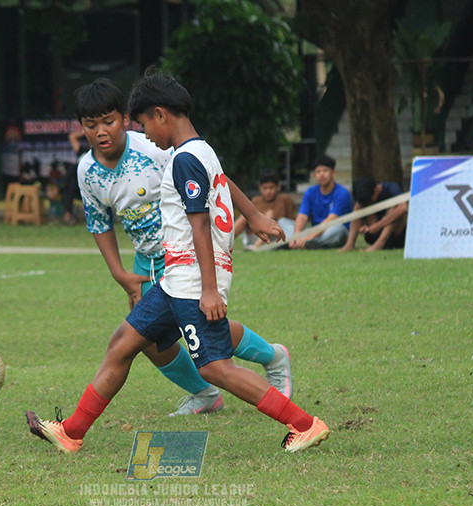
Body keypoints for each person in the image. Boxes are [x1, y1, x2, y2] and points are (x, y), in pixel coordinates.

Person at [27, 71, 329, 453]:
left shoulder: (183, 158)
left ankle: (304, 424)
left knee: (216, 367)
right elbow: (219, 187)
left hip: (191, 280)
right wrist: (252, 215)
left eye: (144, 124)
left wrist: (209, 290)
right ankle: (71, 432)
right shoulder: (201, 150)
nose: (145, 133)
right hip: (172, 279)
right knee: (122, 344)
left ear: (160, 114)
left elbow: (199, 224)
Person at [74, 79, 294, 416]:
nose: (101, 131)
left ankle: (273, 357)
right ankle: (205, 394)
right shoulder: (86, 171)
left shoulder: (154, 147)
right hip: (145, 261)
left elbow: (211, 175)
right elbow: (99, 223)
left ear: (125, 119)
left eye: (109, 121)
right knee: (145, 339)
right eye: (91, 125)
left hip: (182, 253)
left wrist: (252, 215)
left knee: (203, 329)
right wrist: (120, 274)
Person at [289, 154, 353, 249]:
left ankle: (308, 243)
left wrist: (309, 237)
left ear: (333, 173)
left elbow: (331, 220)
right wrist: (296, 235)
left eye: (325, 170)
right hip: (315, 231)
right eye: (318, 171)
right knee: (283, 222)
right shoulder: (310, 192)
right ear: (314, 175)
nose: (321, 174)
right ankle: (301, 242)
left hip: (332, 230)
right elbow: (302, 216)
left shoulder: (342, 193)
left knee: (337, 229)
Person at [340, 177, 408, 252]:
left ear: (376, 190)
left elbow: (404, 207)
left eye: (369, 200)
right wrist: (365, 227)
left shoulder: (391, 188)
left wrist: (378, 226)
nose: (368, 202)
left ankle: (379, 244)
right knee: (358, 205)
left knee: (395, 209)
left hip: (397, 235)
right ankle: (350, 244)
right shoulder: (366, 199)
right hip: (374, 234)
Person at [233, 170, 297, 249]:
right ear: (260, 188)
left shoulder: (285, 199)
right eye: (265, 188)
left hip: (276, 236)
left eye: (271, 188)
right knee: (244, 216)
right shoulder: (256, 201)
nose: (268, 191)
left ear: (278, 187)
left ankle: (256, 246)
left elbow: (291, 223)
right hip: (256, 235)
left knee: (270, 214)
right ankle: (227, 240)